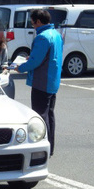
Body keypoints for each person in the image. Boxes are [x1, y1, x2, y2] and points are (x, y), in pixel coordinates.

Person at [15, 9, 63, 156]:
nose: (32, 25)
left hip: (42, 81)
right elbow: (44, 56)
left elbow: (36, 61)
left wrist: (20, 67)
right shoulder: (56, 34)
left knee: (40, 116)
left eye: (32, 22)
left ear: (38, 21)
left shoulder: (42, 37)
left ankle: (41, 148)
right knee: (49, 115)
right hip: (53, 80)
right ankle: (50, 148)